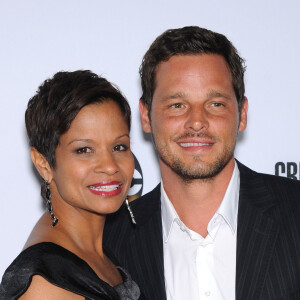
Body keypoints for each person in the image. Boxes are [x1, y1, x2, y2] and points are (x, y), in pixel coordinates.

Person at [104, 26, 300, 300]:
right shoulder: (108, 243)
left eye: (216, 104)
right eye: (177, 105)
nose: (197, 121)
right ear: (146, 116)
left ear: (242, 114)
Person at [0, 70, 146, 300]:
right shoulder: (46, 286)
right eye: (84, 150)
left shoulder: (97, 251)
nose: (109, 166)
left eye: (119, 147)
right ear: (44, 164)